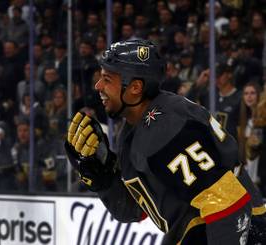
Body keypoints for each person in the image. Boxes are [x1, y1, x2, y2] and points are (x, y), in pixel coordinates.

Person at [64, 39, 266, 245]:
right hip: (201, 231)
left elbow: (228, 205)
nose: (98, 86)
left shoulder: (168, 127)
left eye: (107, 79)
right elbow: (134, 210)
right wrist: (102, 177)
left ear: (135, 87)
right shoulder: (133, 131)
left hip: (242, 233)